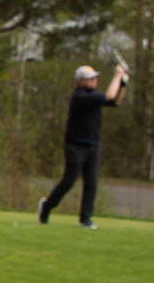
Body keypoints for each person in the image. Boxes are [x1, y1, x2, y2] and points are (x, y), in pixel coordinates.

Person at [40, 62, 128, 228]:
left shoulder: (93, 95)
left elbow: (115, 101)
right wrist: (117, 76)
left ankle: (85, 218)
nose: (94, 80)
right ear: (81, 81)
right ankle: (47, 206)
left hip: (93, 145)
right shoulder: (79, 96)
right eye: (91, 78)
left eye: (95, 78)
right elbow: (108, 96)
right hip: (76, 144)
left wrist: (123, 85)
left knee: (91, 183)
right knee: (69, 180)